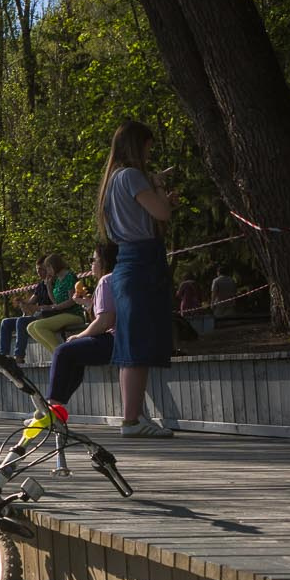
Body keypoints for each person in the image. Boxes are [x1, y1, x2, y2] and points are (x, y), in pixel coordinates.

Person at [97, 121, 175, 437]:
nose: (149, 152)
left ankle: (135, 415)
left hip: (129, 259)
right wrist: (158, 188)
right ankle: (131, 419)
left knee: (132, 340)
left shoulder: (113, 180)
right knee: (137, 342)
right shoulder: (132, 176)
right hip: (142, 261)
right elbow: (162, 213)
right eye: (147, 146)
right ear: (137, 145)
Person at [47, 244, 119, 409]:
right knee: (75, 355)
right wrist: (87, 304)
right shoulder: (121, 278)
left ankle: (53, 408)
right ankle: (56, 407)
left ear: (104, 262)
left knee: (63, 351)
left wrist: (80, 336)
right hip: (130, 337)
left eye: (93, 259)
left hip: (118, 340)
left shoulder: (106, 281)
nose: (90, 264)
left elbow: (104, 322)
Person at [0, 256, 73, 362]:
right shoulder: (40, 285)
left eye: (42, 269)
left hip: (47, 315)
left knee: (22, 321)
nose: (39, 273)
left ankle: (19, 356)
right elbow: (31, 302)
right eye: (37, 270)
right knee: (5, 323)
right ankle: (3, 355)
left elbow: (56, 304)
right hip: (38, 315)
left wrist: (38, 307)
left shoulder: (56, 282)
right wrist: (22, 302)